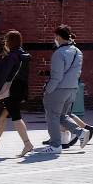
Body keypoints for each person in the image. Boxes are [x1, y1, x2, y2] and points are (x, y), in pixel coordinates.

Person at [0, 30, 34, 158]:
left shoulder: (11, 57)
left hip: (10, 90)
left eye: (6, 40)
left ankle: (27, 144)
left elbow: (3, 75)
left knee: (16, 116)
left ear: (10, 41)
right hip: (19, 88)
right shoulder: (24, 56)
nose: (5, 43)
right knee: (2, 116)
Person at [38, 25, 83, 154]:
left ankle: (55, 144)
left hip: (59, 89)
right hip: (73, 88)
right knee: (63, 116)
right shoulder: (78, 52)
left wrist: (48, 89)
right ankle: (81, 132)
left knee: (52, 116)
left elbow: (56, 76)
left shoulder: (59, 53)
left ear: (58, 37)